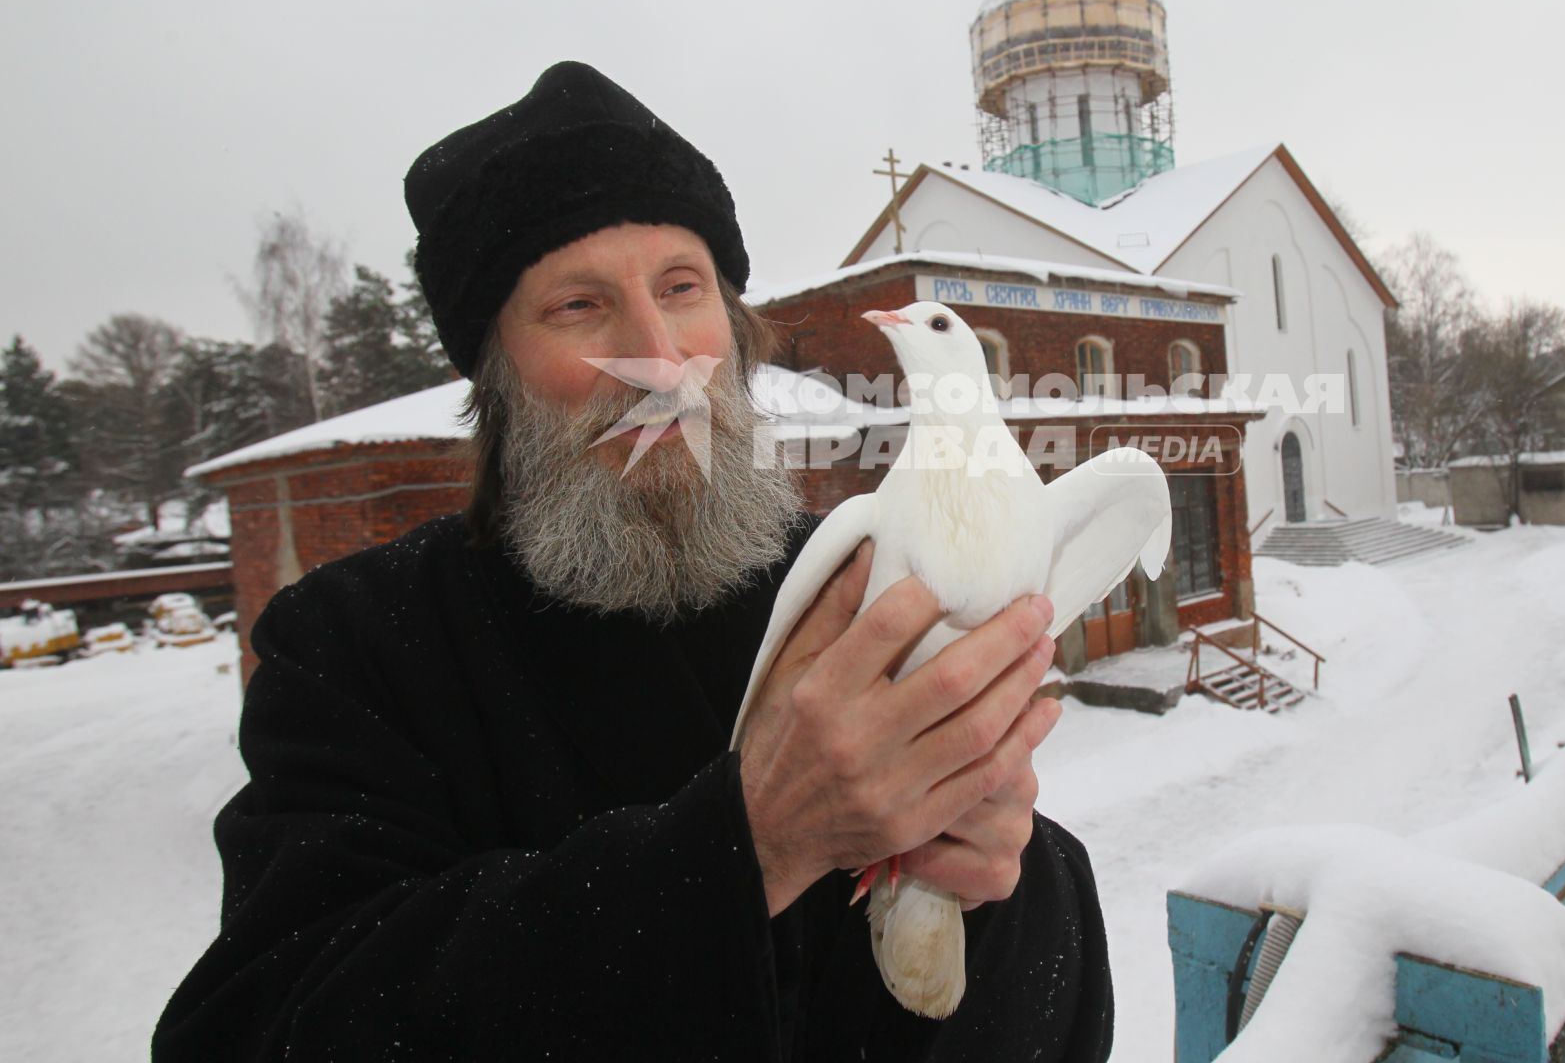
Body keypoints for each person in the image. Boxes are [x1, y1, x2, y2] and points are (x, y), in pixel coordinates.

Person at [152, 61, 1114, 1061]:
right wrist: (752, 846)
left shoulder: (851, 577)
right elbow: (272, 1026)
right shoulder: (357, 643)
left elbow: (1053, 1012)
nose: (659, 355)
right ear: (495, 372)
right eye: (578, 305)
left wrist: (997, 877)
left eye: (682, 288)